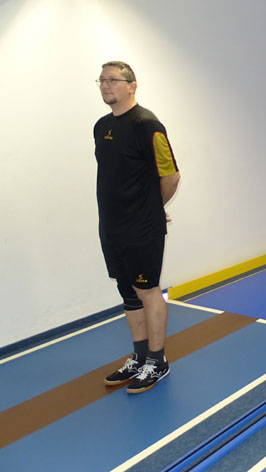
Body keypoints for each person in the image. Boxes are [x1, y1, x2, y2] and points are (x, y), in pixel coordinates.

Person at [94, 61, 180, 394]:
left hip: (142, 228)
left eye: (113, 80)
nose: (106, 85)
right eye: (102, 80)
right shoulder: (101, 126)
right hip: (111, 227)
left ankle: (157, 361)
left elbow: (170, 175)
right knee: (129, 294)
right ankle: (140, 357)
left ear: (132, 86)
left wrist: (152, 209)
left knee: (148, 291)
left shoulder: (148, 125)